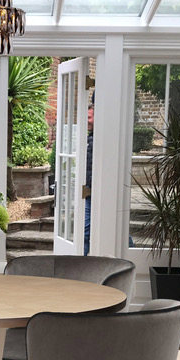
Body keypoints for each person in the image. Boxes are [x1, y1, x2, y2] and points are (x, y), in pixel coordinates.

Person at [82, 93, 94, 255]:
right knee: (84, 233)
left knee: (85, 233)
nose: (87, 120)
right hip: (89, 192)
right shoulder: (90, 138)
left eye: (89, 117)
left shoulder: (97, 139)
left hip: (96, 193)